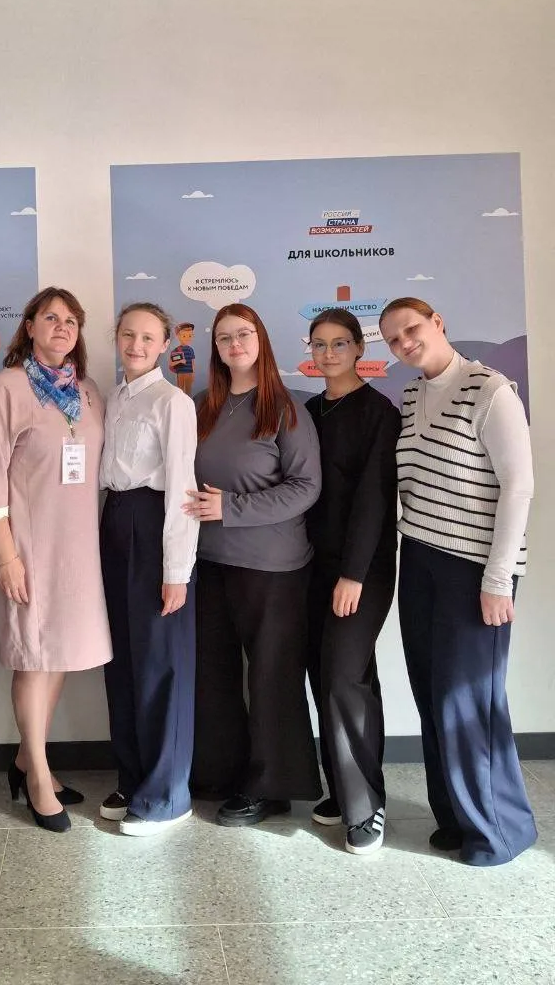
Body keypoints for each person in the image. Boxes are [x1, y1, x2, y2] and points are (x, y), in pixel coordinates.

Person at [380, 296, 536, 866]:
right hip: (420, 558)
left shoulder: (490, 389)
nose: (404, 343)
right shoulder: (412, 394)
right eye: (393, 339)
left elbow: (518, 486)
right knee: (431, 694)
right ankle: (455, 818)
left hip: (475, 568)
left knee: (469, 700)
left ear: (437, 322)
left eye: (411, 329)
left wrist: (498, 579)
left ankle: (500, 832)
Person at [0, 287, 111, 833]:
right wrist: (6, 555)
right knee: (33, 656)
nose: (62, 327)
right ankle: (38, 776)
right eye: (50, 318)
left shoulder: (89, 391)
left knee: (58, 655)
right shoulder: (6, 388)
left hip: (78, 547)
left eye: (71, 320)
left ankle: (27, 760)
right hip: (28, 546)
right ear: (29, 326)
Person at [185, 303, 322, 826]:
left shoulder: (285, 408)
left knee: (271, 678)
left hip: (272, 567)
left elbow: (306, 487)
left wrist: (232, 508)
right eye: (224, 337)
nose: (235, 344)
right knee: (214, 676)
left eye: (243, 334)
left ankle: (272, 786)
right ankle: (222, 774)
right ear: (215, 349)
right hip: (208, 562)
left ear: (260, 339)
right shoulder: (203, 405)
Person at [99, 303, 199, 836]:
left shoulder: (173, 402)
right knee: (122, 660)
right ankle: (133, 776)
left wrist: (176, 570)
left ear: (164, 345)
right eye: (127, 334)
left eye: (147, 337)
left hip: (153, 525)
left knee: (161, 662)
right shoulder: (113, 397)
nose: (135, 345)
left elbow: (183, 488)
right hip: (114, 523)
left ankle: (167, 794)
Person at [304, 309, 400, 856]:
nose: (329, 353)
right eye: (319, 344)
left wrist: (353, 575)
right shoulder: (309, 411)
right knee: (327, 676)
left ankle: (366, 806)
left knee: (345, 676)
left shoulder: (379, 413)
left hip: (360, 571)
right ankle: (342, 791)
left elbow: (374, 500)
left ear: (359, 348)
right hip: (309, 567)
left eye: (339, 343)